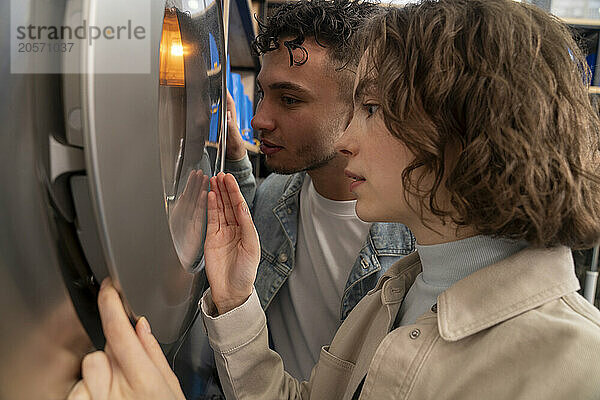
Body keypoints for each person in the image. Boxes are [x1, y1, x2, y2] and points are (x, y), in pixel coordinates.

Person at [68, 0, 600, 399]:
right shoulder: (393, 299)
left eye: (370, 108)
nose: (349, 139)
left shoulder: (577, 369)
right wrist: (234, 301)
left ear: (464, 131)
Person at [218, 0, 413, 382]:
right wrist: (237, 163)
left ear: (363, 105)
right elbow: (250, 219)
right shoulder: (276, 195)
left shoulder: (418, 238)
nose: (258, 119)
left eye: (289, 100)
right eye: (263, 93)